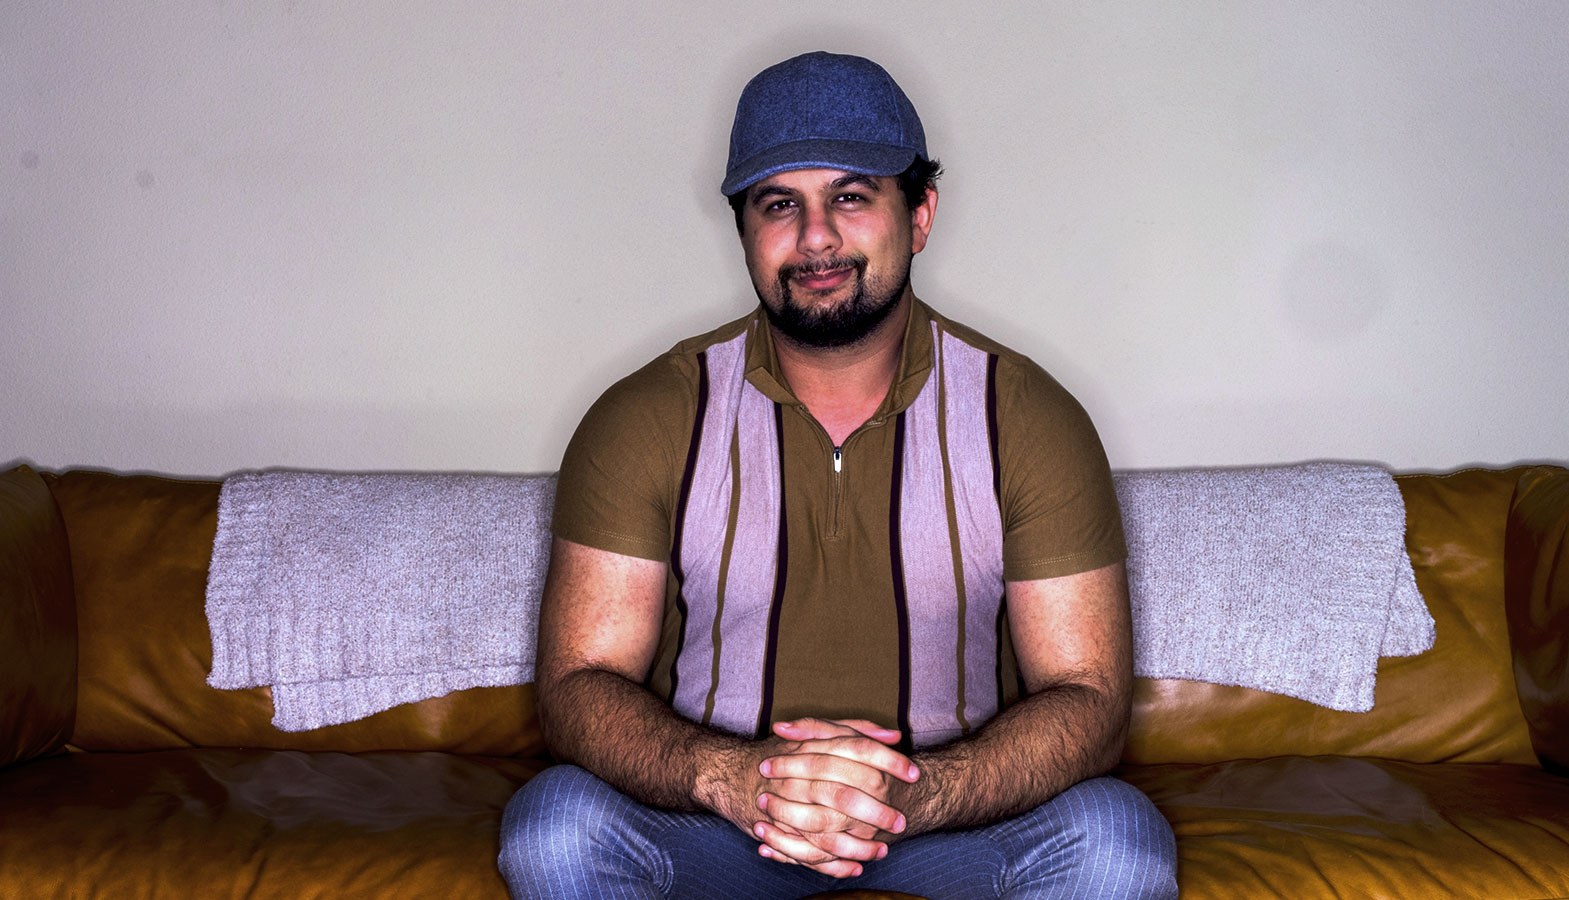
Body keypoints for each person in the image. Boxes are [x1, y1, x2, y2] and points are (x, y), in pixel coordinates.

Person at [498, 50, 1178, 899]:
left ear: (920, 213)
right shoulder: (644, 416)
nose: (815, 237)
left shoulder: (1029, 417)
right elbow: (575, 688)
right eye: (779, 204)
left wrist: (910, 796)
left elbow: (1089, 699)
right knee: (557, 826)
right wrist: (731, 780)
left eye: (851, 197)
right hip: (716, 823)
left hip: (950, 817)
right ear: (745, 229)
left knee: (1115, 841)